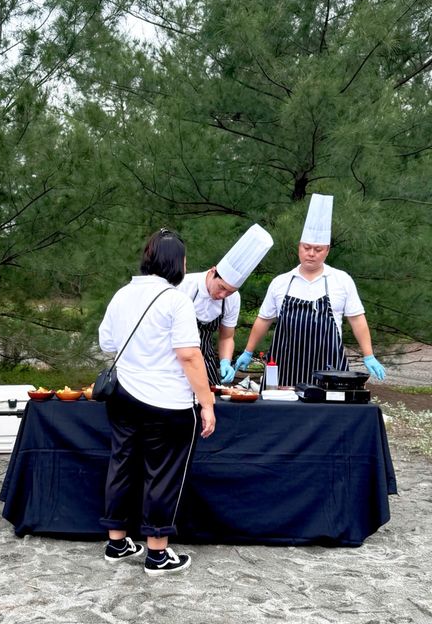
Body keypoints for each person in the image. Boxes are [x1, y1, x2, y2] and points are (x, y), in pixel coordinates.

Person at [98, 228, 215, 576]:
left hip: (124, 396)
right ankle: (157, 554)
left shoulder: (122, 294)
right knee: (162, 474)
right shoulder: (175, 300)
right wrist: (206, 401)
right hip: (166, 401)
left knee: (121, 465)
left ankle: (117, 542)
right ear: (177, 263)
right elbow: (190, 356)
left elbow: (107, 343)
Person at [234, 194, 386, 387]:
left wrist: (369, 355)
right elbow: (264, 319)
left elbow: (357, 319)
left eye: (318, 249)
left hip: (329, 370)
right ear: (299, 247)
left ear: (327, 250)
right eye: (307, 247)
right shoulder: (281, 282)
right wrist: (248, 351)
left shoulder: (341, 280)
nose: (311, 253)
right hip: (284, 369)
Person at [178, 224, 274, 386]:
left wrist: (225, 362)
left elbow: (227, 336)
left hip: (205, 360)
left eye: (230, 291)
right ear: (213, 272)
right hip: (175, 359)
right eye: (222, 288)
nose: (223, 295)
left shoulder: (233, 298)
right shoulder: (183, 285)